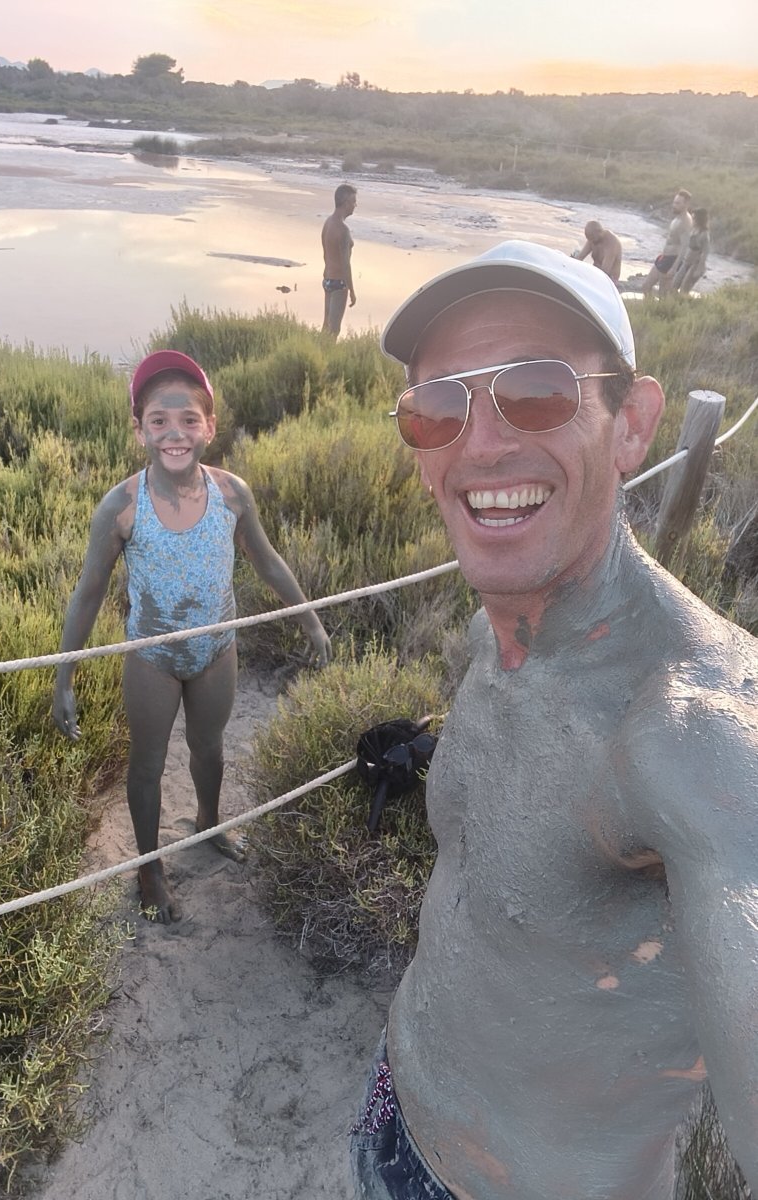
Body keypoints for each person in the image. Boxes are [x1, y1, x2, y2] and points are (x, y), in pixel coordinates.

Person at [351, 241, 757, 1199]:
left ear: (632, 426)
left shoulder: (693, 732)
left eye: (536, 392)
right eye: (438, 405)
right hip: (392, 1107)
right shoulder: (498, 623)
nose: (481, 444)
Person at [52, 350, 332, 923]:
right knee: (148, 763)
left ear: (210, 425)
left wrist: (310, 617)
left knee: (209, 746)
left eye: (188, 420)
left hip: (216, 651)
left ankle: (208, 822)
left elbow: (267, 560)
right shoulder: (123, 508)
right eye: (159, 420)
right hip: (152, 655)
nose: (174, 433)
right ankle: (149, 867)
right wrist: (65, 675)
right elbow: (88, 594)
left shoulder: (231, 494)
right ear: (140, 429)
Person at [321, 183, 358, 338]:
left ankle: (319, 355)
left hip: (328, 279)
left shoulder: (328, 222)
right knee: (334, 330)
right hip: (338, 283)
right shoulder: (343, 229)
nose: (355, 205)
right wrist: (352, 290)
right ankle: (325, 358)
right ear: (345, 202)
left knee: (326, 326)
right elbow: (345, 264)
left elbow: (325, 254)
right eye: (353, 201)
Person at [642, 188, 693, 297]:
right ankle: (650, 309)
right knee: (646, 286)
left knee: (663, 294)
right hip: (665, 257)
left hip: (672, 260)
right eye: (674, 202)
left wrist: (674, 268)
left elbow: (685, 247)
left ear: (686, 204)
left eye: (678, 203)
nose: (674, 205)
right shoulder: (678, 218)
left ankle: (658, 312)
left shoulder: (686, 222)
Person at [571, 219, 622, 284]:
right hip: (595, 273)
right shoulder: (593, 239)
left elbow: (605, 271)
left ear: (600, 232)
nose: (591, 241)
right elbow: (580, 257)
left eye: (592, 238)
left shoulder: (611, 243)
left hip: (609, 279)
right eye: (589, 239)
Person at [672, 207, 711, 294]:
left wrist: (699, 269)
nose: (692, 220)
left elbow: (705, 253)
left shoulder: (704, 234)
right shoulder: (692, 229)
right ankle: (672, 304)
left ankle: (682, 305)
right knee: (674, 285)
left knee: (684, 289)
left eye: (694, 218)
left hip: (695, 264)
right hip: (686, 262)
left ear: (699, 220)